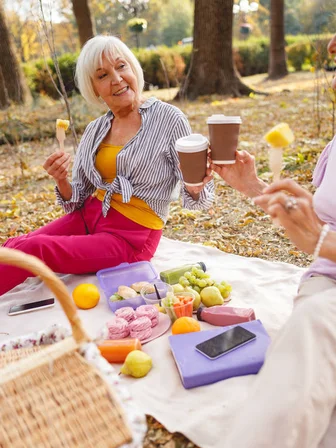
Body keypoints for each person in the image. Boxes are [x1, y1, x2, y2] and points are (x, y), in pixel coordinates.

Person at [71, 2, 336, 448]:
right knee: (316, 399)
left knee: (314, 337)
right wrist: (255, 189)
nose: (330, 44)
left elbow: (334, 236)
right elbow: (326, 215)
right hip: (329, 285)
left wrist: (322, 240)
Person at [0, 36, 213, 296]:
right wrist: (61, 180)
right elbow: (76, 198)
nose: (117, 79)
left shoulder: (169, 119)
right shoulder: (96, 129)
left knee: (35, 250)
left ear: (133, 68)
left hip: (131, 238)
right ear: (94, 88)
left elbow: (197, 195)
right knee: (17, 243)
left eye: (121, 66)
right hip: (91, 215)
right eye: (103, 75)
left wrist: (196, 183)